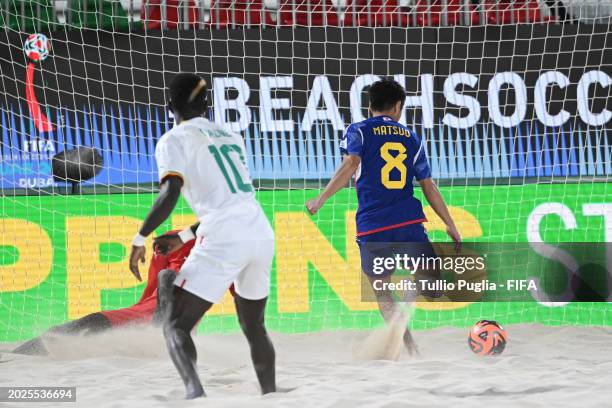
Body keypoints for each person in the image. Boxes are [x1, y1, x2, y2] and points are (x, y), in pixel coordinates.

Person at [128, 73, 276, 399]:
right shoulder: (231, 136)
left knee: (175, 324)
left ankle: (195, 393)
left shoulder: (173, 139)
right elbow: (231, 202)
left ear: (170, 106)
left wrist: (140, 238)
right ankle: (271, 393)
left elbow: (170, 193)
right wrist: (183, 235)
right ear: (207, 104)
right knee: (254, 327)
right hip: (260, 231)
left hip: (223, 237)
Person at [305, 78, 461, 355]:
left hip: (371, 227)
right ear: (398, 105)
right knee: (433, 282)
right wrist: (450, 223)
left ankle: (409, 346)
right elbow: (428, 185)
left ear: (370, 105)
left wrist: (321, 199)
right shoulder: (410, 137)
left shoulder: (359, 131)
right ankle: (413, 296)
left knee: (382, 291)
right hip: (407, 221)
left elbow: (350, 164)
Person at [11, 230, 196, 356]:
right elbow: (152, 288)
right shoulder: (172, 240)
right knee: (65, 333)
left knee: (66, 332)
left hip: (165, 316)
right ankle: (18, 355)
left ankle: (18, 355)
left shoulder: (212, 245)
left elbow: (155, 286)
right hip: (159, 316)